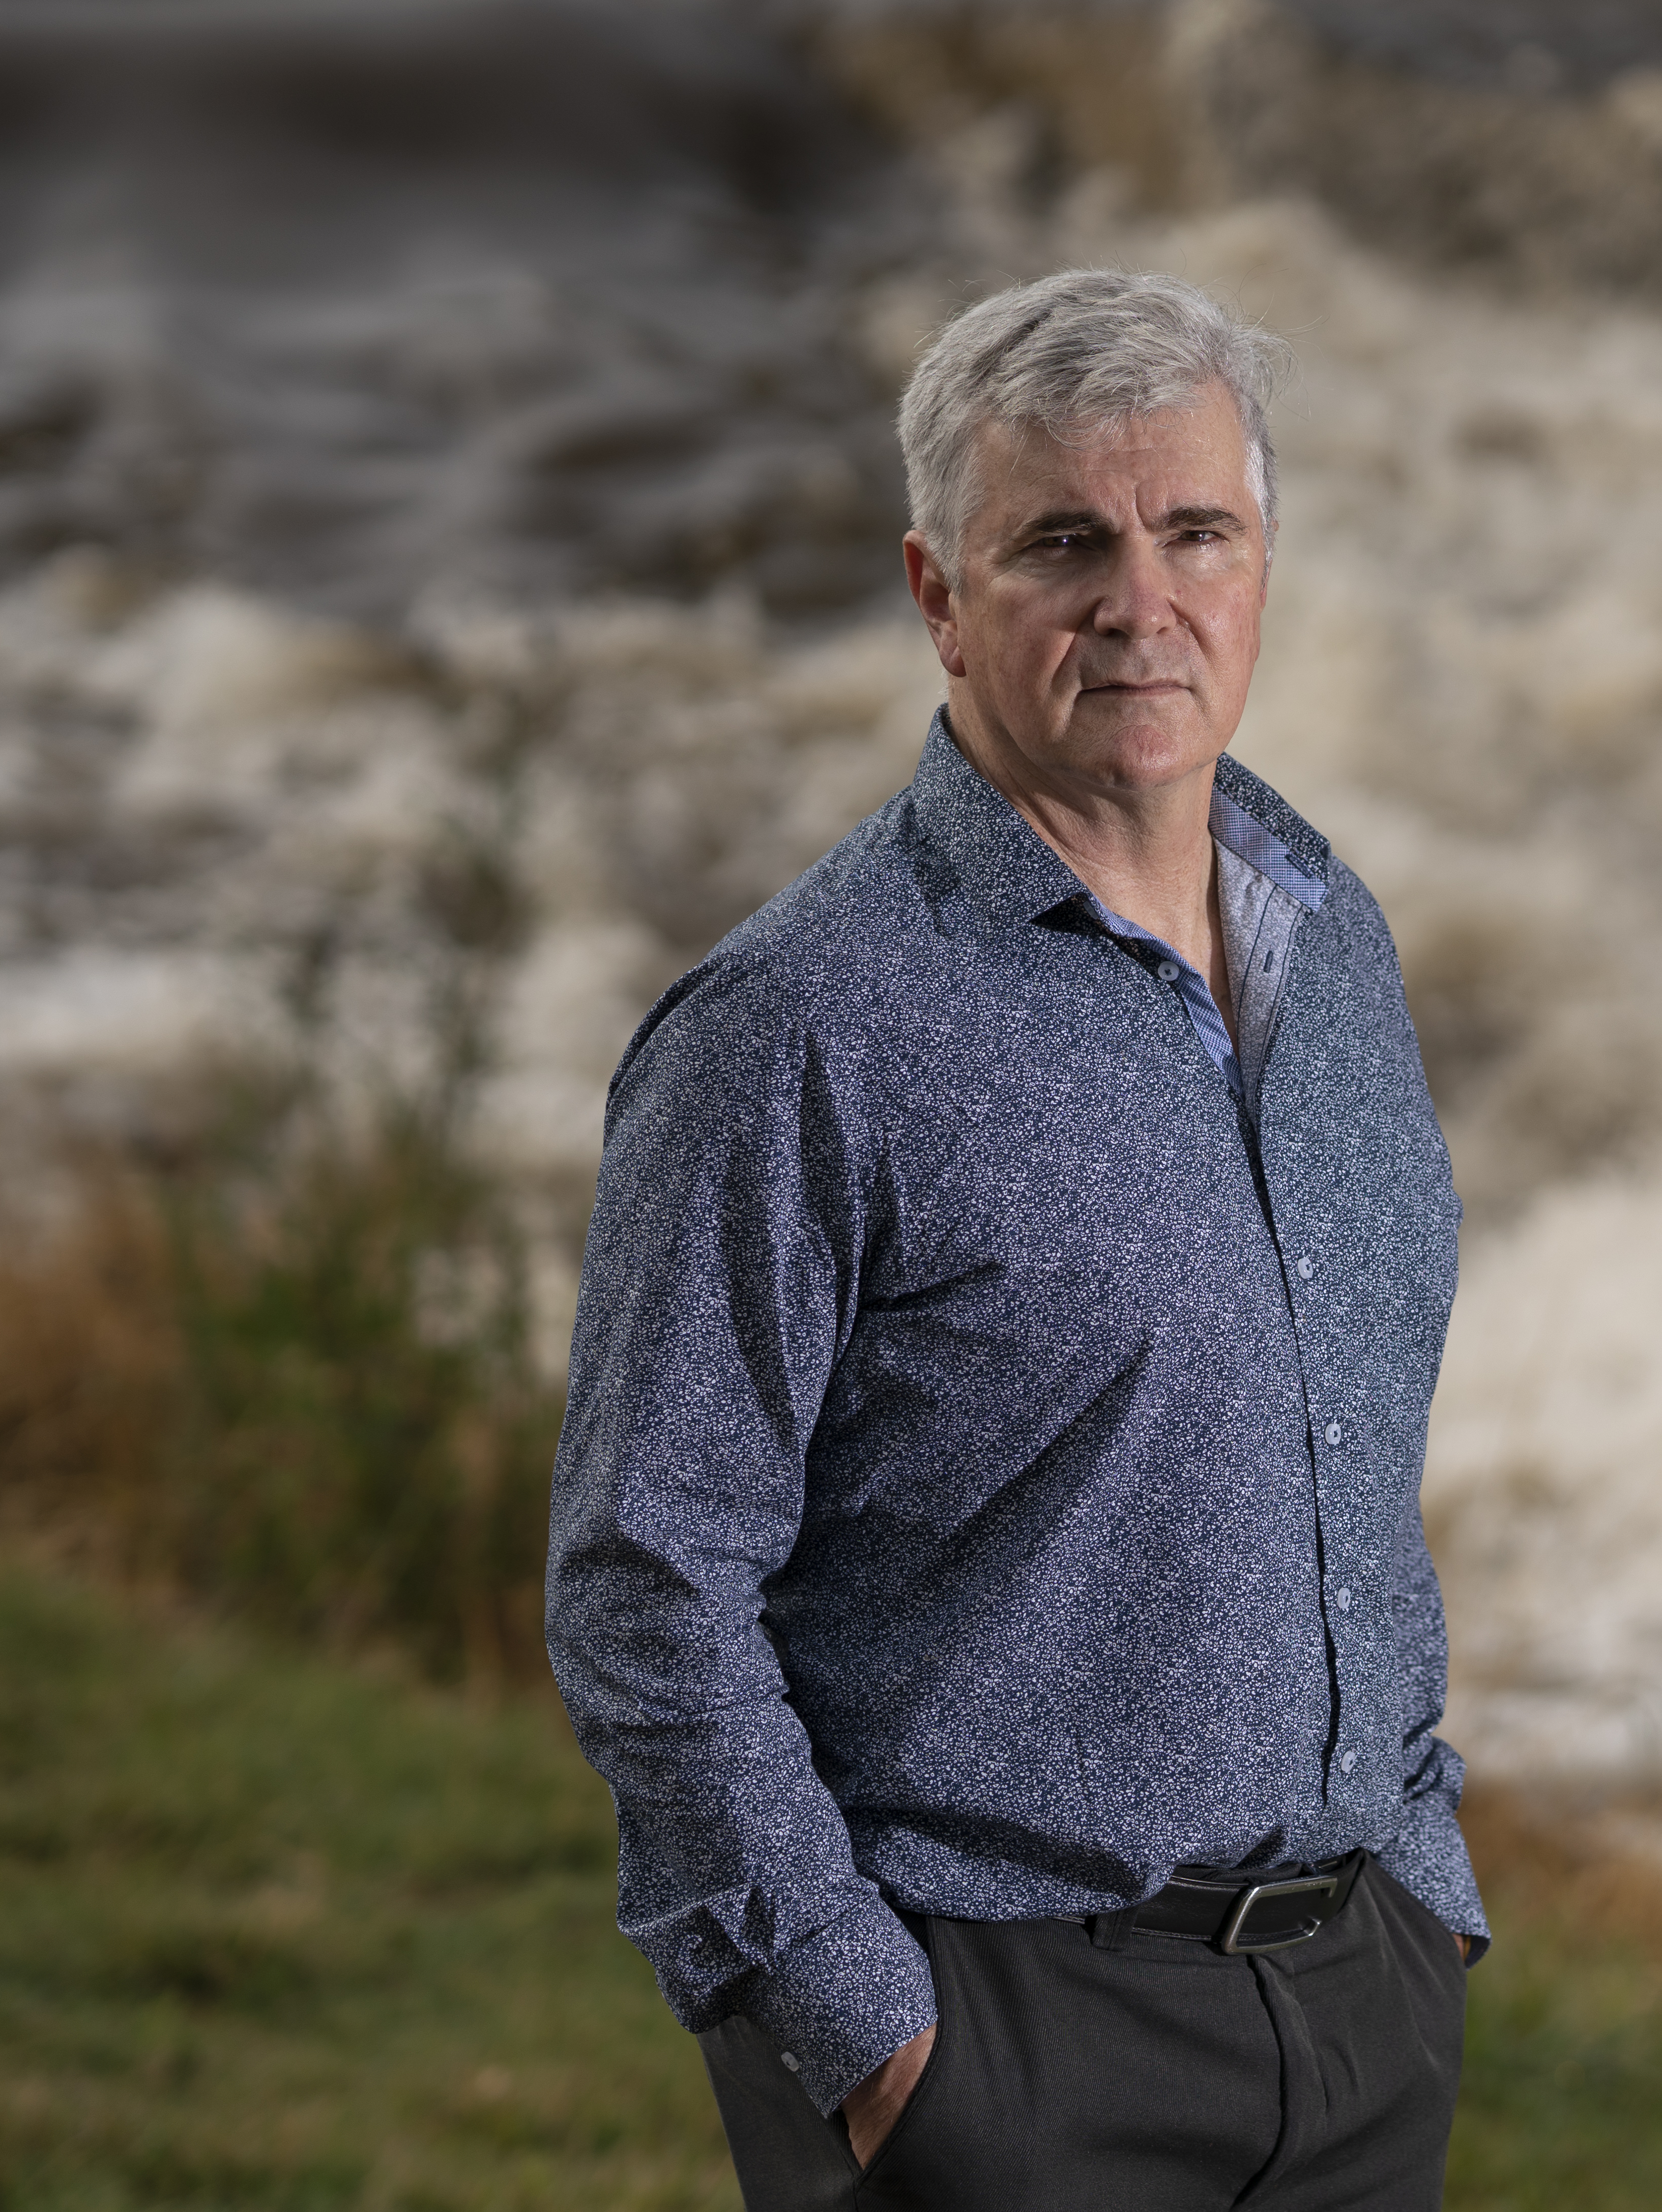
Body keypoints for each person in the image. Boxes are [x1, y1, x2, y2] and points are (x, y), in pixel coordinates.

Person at [545, 268, 1481, 2211]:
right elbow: (647, 1584)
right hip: (999, 2052)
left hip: (1358, 2012)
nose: (1144, 601)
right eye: (1065, 542)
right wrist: (877, 2049)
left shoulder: (1332, 931)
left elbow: (1345, 1444)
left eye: (1194, 531)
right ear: (936, 598)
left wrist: (1423, 1894)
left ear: (1261, 563)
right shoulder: (796, 1033)